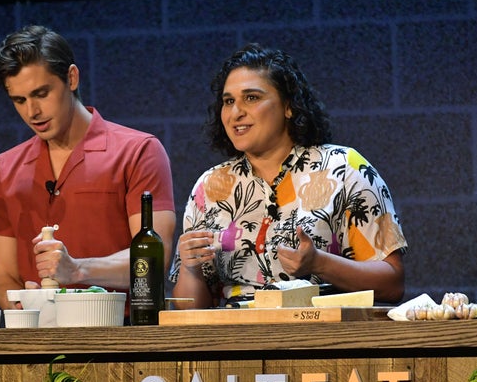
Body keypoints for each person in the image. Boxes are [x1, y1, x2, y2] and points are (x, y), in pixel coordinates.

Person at [169, 43, 407, 308]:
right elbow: (189, 309)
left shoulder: (344, 168)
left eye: (251, 97)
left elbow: (392, 283)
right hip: (234, 339)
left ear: (289, 106)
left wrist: (320, 263)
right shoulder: (210, 186)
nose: (236, 112)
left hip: (319, 336)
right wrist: (191, 270)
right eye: (228, 101)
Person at [0, 25, 176, 310]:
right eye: (19, 100)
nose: (31, 112)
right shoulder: (4, 169)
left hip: (125, 337)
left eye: (41, 93)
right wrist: (18, 306)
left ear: (71, 78)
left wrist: (77, 269)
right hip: (38, 341)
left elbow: (153, 260)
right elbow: (3, 275)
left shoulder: (139, 151)